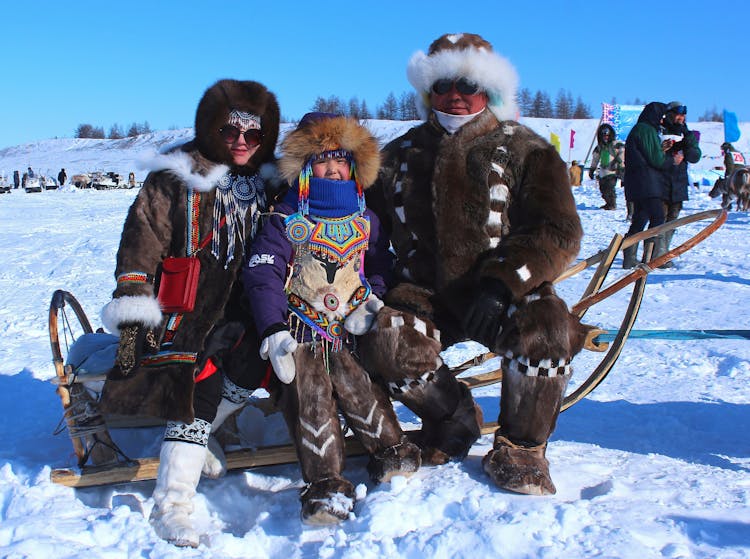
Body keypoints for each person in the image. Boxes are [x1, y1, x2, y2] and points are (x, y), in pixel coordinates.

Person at [363, 33, 590, 496]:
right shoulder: (395, 157)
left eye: (469, 83)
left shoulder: (528, 149)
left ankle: (521, 448)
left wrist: (504, 282)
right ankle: (453, 419)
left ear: (488, 89)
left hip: (501, 292)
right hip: (423, 295)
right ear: (430, 89)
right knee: (383, 340)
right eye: (444, 83)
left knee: (548, 327)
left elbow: (558, 231)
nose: (457, 94)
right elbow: (358, 221)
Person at [98, 79, 281, 547]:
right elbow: (143, 241)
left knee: (257, 367)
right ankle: (171, 504)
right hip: (186, 309)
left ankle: (202, 438)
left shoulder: (273, 181)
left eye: (253, 134)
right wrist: (135, 302)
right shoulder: (175, 175)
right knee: (201, 377)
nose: (241, 141)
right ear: (210, 128)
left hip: (250, 305)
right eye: (230, 130)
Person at [243, 113, 421, 524]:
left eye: (342, 160)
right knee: (311, 399)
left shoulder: (366, 219)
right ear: (305, 166)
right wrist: (272, 328)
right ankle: (324, 485)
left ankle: (390, 451)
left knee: (361, 386)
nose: (334, 168)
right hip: (301, 330)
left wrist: (372, 298)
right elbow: (262, 271)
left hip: (350, 328)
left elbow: (378, 263)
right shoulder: (285, 218)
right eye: (323, 160)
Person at [621, 102, 684, 269]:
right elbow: (656, 160)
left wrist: (661, 148)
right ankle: (652, 256)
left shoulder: (642, 129)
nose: (663, 120)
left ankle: (629, 255)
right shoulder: (646, 130)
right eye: (662, 116)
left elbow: (646, 152)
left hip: (638, 182)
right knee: (657, 217)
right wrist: (673, 160)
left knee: (640, 218)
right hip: (647, 183)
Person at [660, 102, 701, 268]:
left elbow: (695, 156)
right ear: (669, 114)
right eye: (677, 115)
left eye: (683, 115)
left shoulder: (687, 133)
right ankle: (654, 255)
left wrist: (687, 143)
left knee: (672, 221)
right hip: (660, 182)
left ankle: (663, 253)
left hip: (678, 184)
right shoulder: (658, 131)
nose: (680, 118)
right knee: (658, 221)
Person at [588, 123, 624, 209]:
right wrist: (592, 169)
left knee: (609, 188)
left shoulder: (616, 145)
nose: (606, 138)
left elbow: (622, 153)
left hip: (613, 171)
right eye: (604, 136)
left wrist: (620, 165)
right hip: (603, 171)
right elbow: (595, 158)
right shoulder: (600, 147)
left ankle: (612, 204)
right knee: (603, 189)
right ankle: (608, 203)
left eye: (607, 136)